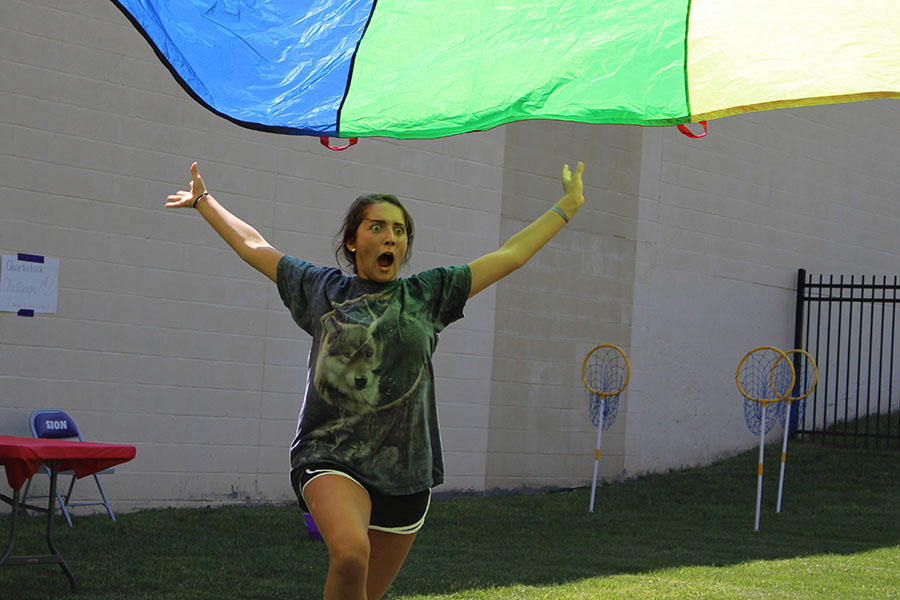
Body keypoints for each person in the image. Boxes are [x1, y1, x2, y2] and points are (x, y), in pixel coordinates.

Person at [165, 159, 585, 600]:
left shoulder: (427, 295)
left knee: (362, 592)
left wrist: (568, 205)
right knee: (349, 555)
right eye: (378, 227)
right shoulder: (322, 289)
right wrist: (204, 202)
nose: (391, 237)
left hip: (406, 471)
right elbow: (255, 246)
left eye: (400, 230)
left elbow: (510, 255)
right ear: (352, 240)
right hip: (330, 455)